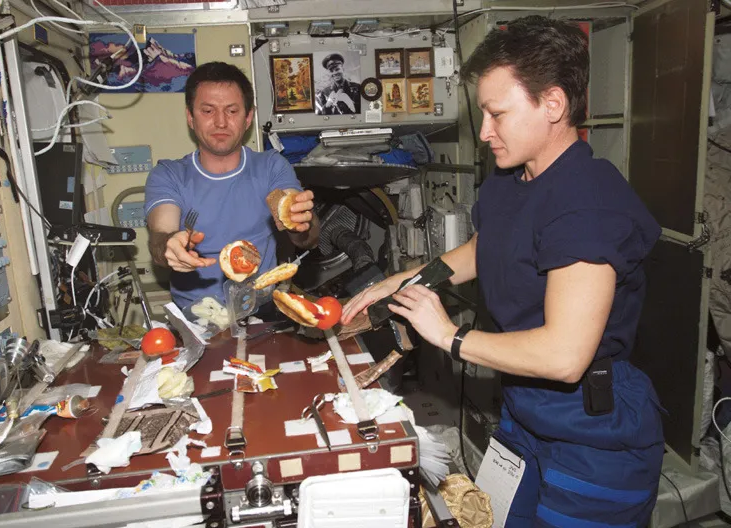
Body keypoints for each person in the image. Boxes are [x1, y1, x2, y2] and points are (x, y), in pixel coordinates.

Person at [341, 16, 664, 526]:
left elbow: (564, 356)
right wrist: (399, 283)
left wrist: (449, 336)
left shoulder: (587, 201)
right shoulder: (512, 180)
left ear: (553, 104)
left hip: (593, 429)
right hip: (525, 408)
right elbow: (480, 250)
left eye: (497, 114)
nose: (484, 132)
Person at [144, 62, 320, 308]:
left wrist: (299, 221)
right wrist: (169, 245)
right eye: (208, 111)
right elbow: (161, 234)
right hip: (195, 314)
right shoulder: (168, 175)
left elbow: (305, 233)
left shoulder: (271, 166)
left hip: (260, 309)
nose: (221, 122)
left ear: (248, 118)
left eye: (232, 111)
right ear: (190, 117)